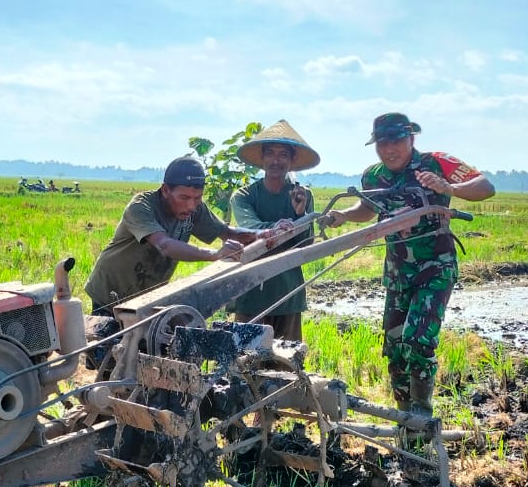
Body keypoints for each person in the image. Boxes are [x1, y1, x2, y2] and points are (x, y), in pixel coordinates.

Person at [321, 112, 495, 417]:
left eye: (397, 141)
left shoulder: (437, 162)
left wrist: (447, 188)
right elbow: (366, 208)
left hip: (435, 268)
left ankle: (421, 414)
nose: (390, 149)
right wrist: (344, 216)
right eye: (383, 143)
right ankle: (404, 417)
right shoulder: (373, 176)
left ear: (411, 138)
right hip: (398, 273)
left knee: (418, 340)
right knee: (395, 344)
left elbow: (485, 187)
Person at [83, 155, 289, 315]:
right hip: (111, 290)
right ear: (165, 190)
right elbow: (164, 244)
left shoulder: (195, 209)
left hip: (147, 294)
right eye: (184, 197)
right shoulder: (141, 207)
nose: (191, 205)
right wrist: (214, 255)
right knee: (108, 356)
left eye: (197, 198)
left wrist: (264, 233)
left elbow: (228, 232)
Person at [227, 120, 319, 341]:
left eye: (283, 155)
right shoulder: (244, 196)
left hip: (287, 292)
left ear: (292, 160)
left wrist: (299, 215)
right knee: (244, 361)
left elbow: (306, 242)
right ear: (262, 159)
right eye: (270, 154)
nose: (276, 160)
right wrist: (277, 228)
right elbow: (248, 229)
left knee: (287, 364)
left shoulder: (301, 195)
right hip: (250, 292)